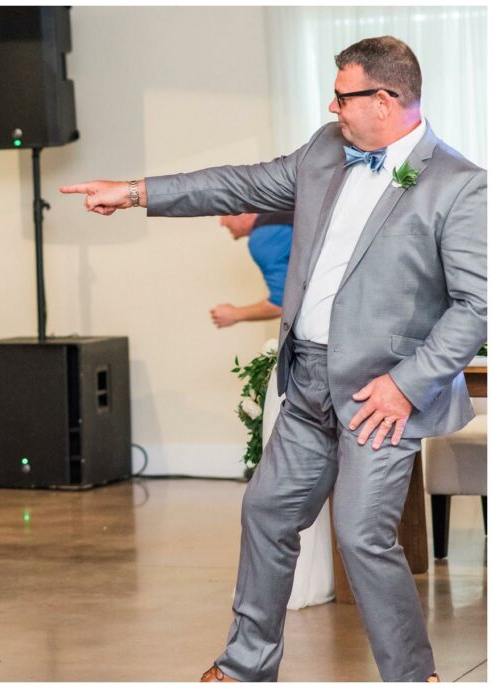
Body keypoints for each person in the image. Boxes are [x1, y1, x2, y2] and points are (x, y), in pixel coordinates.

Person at [62, 36, 485, 682]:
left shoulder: (457, 184)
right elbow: (237, 182)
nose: (331, 106)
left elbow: (474, 308)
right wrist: (136, 191)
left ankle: (413, 677)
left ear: (385, 100)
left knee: (361, 535)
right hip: (308, 381)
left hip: (380, 397)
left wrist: (405, 386)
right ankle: (245, 666)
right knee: (265, 510)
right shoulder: (323, 150)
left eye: (343, 95)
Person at [210, 212, 292, 328]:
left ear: (246, 214)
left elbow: (283, 304)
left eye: (224, 212)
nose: (221, 222)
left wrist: (234, 314)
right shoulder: (284, 217)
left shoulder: (261, 239)